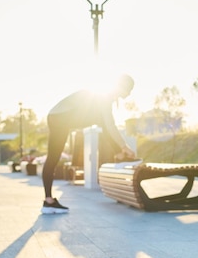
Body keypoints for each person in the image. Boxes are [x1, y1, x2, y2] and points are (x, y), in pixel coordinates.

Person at [41, 74, 137, 214]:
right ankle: (48, 202)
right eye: (129, 90)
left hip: (60, 117)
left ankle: (120, 154)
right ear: (122, 87)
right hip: (60, 118)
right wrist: (124, 145)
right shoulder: (104, 97)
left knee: (100, 121)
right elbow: (110, 125)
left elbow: (108, 123)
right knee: (53, 157)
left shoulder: (105, 96)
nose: (129, 94)